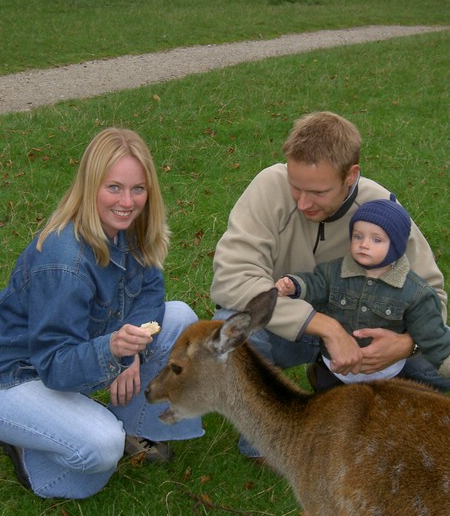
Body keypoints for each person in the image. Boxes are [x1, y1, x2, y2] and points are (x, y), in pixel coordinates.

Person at [210, 111, 448, 456]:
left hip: (370, 332)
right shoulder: (268, 187)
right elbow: (232, 278)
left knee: (442, 351)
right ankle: (265, 445)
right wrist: (325, 328)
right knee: (231, 330)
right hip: (289, 328)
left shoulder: (381, 207)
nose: (303, 202)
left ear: (350, 176)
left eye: (318, 191)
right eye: (296, 186)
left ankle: (349, 383)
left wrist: (406, 344)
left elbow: (431, 292)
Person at [0, 128, 203, 499]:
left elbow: (151, 291)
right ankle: (29, 449)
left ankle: (130, 428)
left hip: (68, 355)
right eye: (114, 188)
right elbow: (53, 363)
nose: (127, 201)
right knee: (99, 449)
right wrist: (112, 351)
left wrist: (133, 347)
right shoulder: (64, 260)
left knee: (180, 321)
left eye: (137, 189)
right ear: (90, 186)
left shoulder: (132, 229)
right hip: (17, 375)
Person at [275, 197, 450, 390]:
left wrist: (445, 362)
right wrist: (295, 285)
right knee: (329, 411)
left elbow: (432, 334)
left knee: (377, 414)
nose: (364, 244)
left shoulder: (415, 292)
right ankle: (318, 377)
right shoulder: (333, 271)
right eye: (358, 236)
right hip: (334, 367)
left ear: (397, 246)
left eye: (376, 240)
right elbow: (315, 284)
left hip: (385, 373)